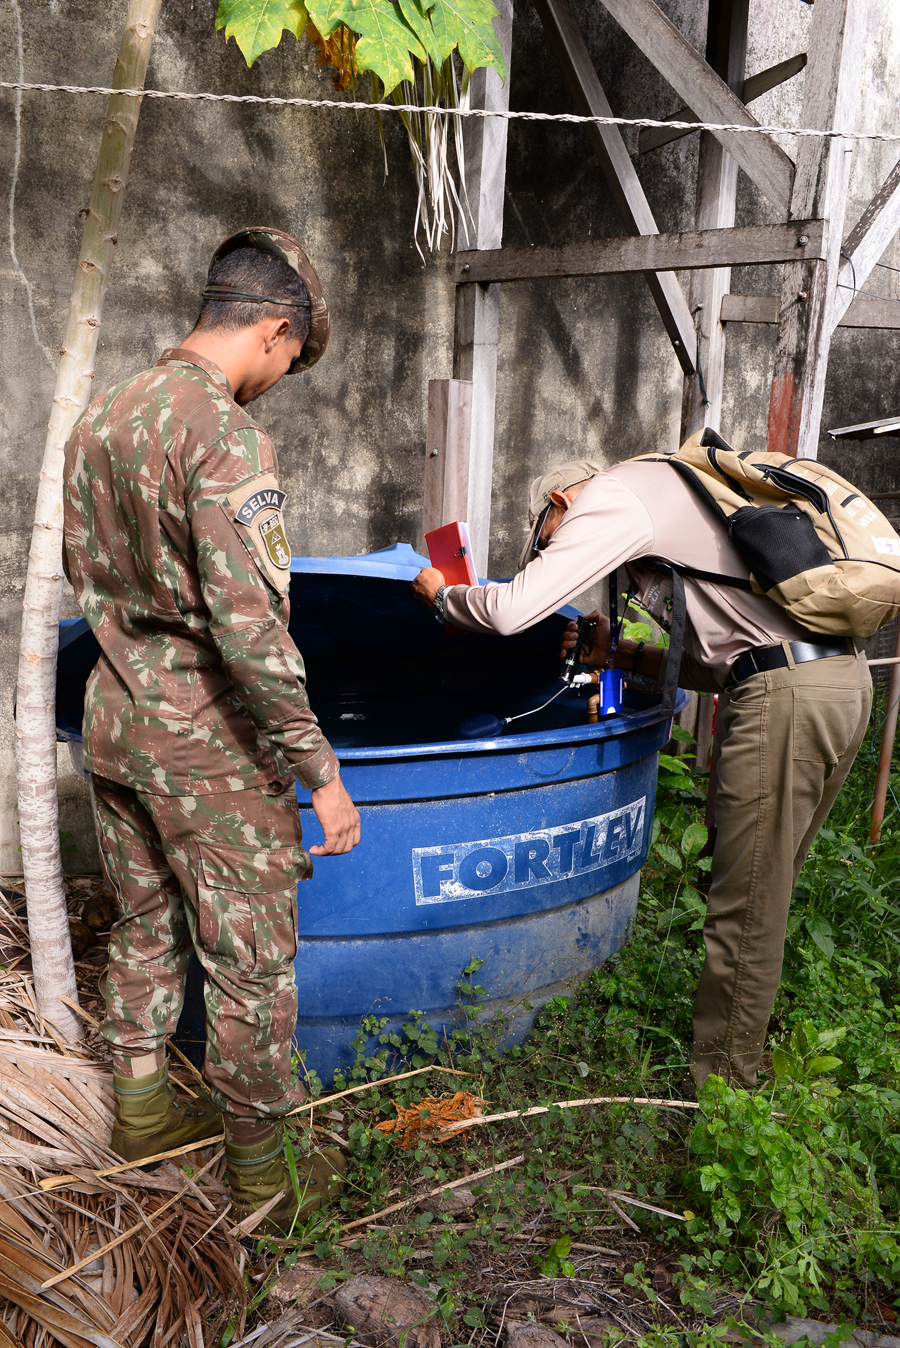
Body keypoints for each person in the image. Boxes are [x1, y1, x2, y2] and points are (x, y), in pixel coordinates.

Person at [63, 226, 360, 1231]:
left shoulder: (103, 413)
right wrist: (317, 769)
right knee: (249, 966)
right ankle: (263, 1186)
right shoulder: (224, 435)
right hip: (205, 745)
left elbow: (86, 579)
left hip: (115, 717)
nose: (276, 380)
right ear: (273, 329)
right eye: (287, 359)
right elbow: (252, 628)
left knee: (145, 921)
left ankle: (142, 1116)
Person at [413, 454, 872, 1090]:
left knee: (747, 908)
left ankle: (724, 1100)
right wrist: (620, 653)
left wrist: (445, 597)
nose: (557, 553)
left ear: (562, 503)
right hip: (833, 681)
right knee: (761, 893)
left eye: (548, 541)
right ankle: (743, 1059)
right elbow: (723, 664)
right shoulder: (671, 502)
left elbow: (512, 611)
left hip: (791, 698)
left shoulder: (611, 496)